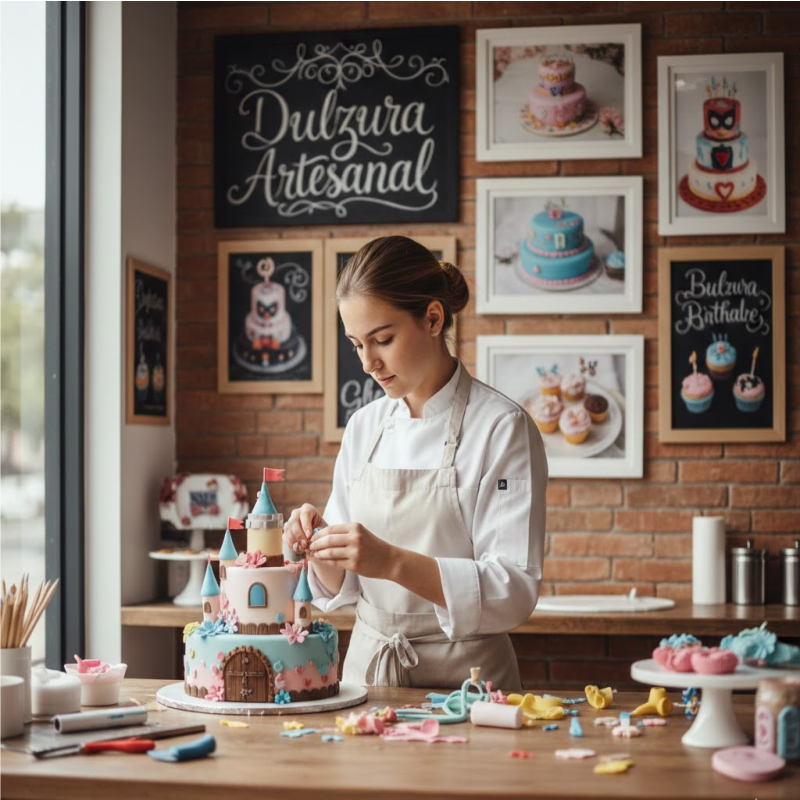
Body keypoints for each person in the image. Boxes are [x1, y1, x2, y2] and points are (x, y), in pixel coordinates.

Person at [283, 235, 547, 690]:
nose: (368, 363)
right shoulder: (365, 427)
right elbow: (339, 587)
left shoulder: (502, 427)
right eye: (356, 345)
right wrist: (318, 546)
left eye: (382, 339)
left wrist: (393, 562)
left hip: (469, 684)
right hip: (368, 678)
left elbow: (513, 589)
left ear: (432, 317)